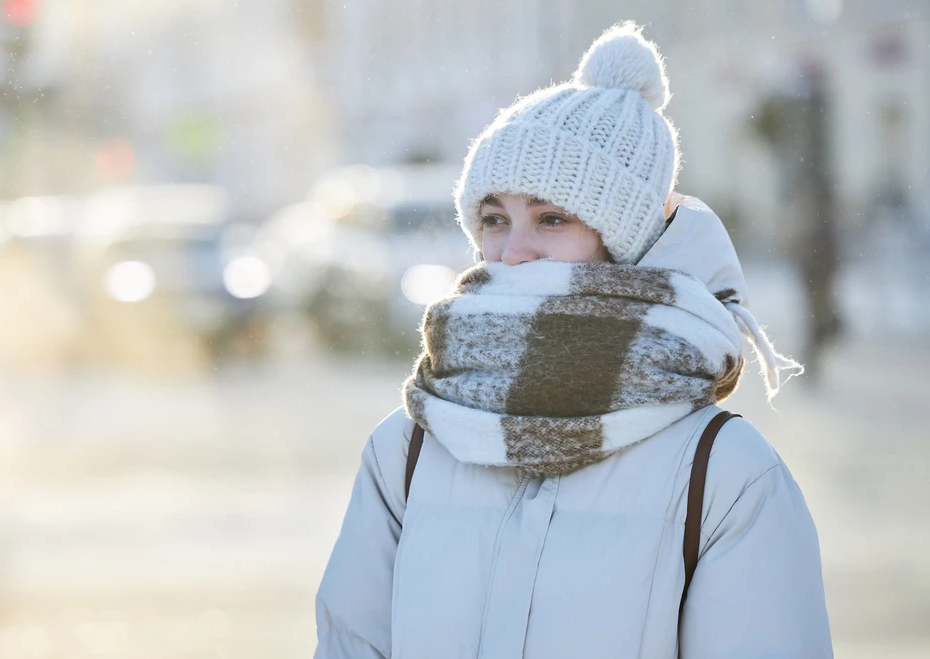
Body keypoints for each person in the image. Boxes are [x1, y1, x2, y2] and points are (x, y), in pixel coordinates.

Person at [314, 21, 832, 659]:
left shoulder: (726, 476)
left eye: (552, 218)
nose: (513, 251)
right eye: (494, 219)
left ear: (625, 244)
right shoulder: (408, 449)